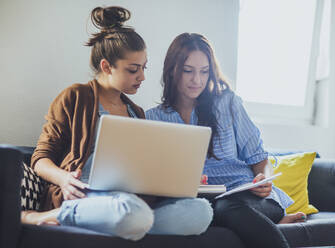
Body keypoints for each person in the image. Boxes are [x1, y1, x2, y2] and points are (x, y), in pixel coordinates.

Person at [21, 8, 213, 241]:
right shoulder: (75, 97)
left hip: (132, 201)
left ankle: (131, 224)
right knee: (131, 212)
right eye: (133, 70)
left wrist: (175, 180)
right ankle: (56, 214)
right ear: (106, 66)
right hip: (85, 195)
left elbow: (145, 168)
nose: (142, 77)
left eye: (144, 68)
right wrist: (64, 178)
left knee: (201, 211)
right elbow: (39, 159)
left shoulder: (136, 112)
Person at [145, 32, 306, 248]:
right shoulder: (152, 119)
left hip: (248, 197)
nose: (197, 80)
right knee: (203, 212)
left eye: (204, 72)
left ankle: (271, 220)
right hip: (196, 203)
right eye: (188, 71)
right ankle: (270, 224)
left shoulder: (228, 104)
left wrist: (264, 179)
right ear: (172, 71)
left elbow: (259, 158)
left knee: (223, 208)